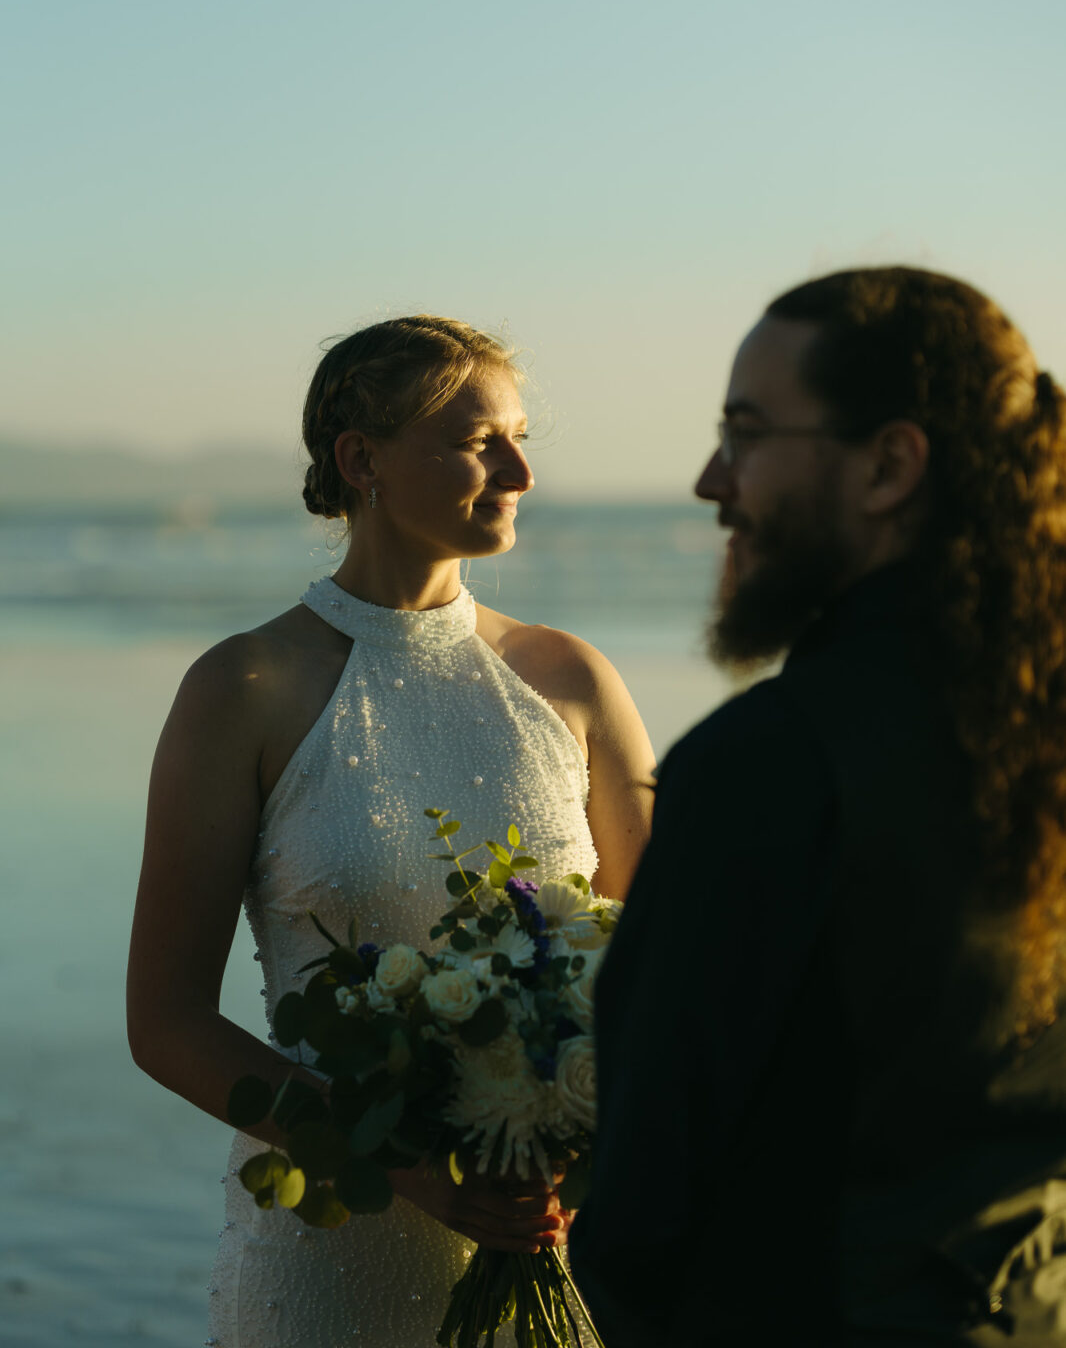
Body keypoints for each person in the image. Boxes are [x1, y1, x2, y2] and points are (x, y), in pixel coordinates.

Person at [126, 315, 654, 1348]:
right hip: (331, 1260)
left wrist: (587, 1153)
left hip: (553, 1236)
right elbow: (168, 1024)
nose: (519, 471)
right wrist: (413, 1171)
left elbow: (667, 970)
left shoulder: (573, 680)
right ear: (360, 459)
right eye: (475, 442)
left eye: (519, 436)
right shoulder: (242, 688)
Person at [570, 267, 1066, 1346]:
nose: (712, 478)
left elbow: (649, 1198)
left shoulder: (774, 764)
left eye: (745, 434)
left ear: (888, 464)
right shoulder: (1034, 735)